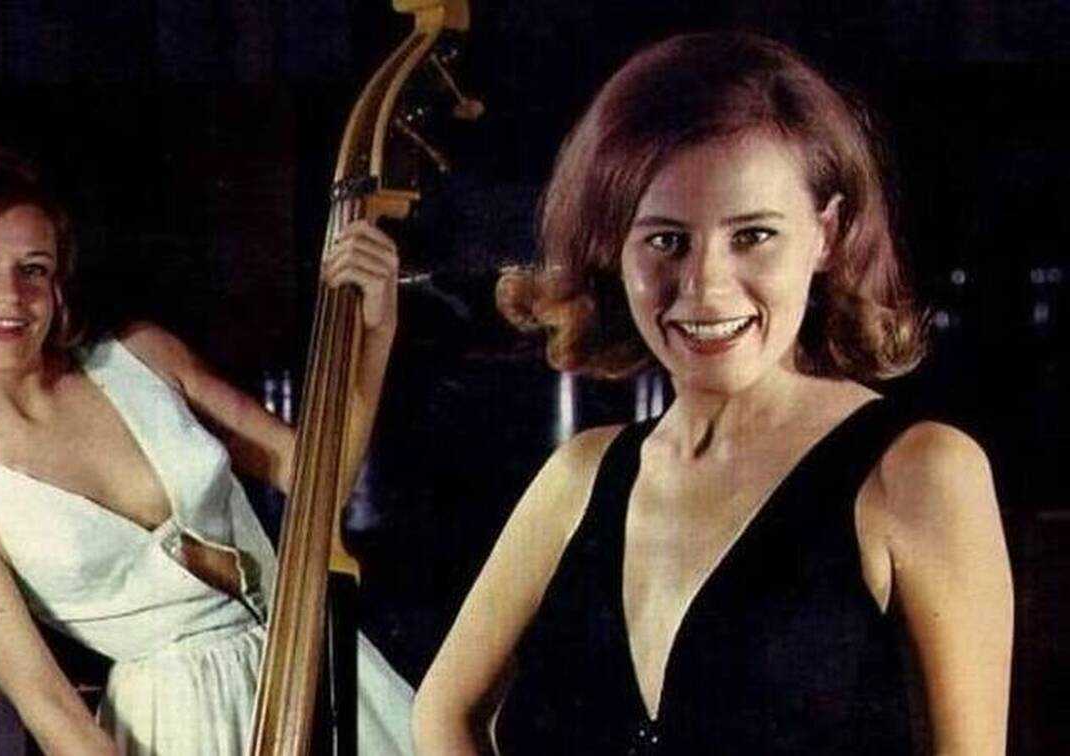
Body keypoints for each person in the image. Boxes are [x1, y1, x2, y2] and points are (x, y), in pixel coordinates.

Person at [413, 32, 1011, 754]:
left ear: (826, 234)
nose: (705, 288)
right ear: (613, 248)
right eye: (666, 241)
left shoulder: (921, 472)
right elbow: (441, 712)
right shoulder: (578, 479)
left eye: (753, 235)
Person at [0, 145, 414, 754]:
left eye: (34, 269)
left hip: (312, 673)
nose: (12, 296)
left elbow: (321, 482)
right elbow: (55, 715)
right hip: (175, 732)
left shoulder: (140, 358)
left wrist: (376, 329)